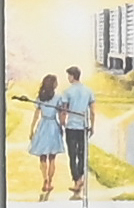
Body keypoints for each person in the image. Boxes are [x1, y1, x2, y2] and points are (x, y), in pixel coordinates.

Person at [58, 67, 98, 197]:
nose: (68, 78)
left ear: (73, 76)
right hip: (83, 126)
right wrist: (92, 125)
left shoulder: (67, 92)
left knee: (72, 155)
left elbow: (64, 110)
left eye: (69, 75)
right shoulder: (88, 91)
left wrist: (62, 123)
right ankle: (80, 178)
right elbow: (92, 111)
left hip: (72, 127)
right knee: (82, 154)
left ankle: (77, 180)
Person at [25, 73, 66, 199]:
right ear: (53, 84)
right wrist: (62, 126)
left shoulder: (40, 97)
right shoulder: (58, 97)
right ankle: (50, 181)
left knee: (42, 157)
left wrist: (32, 129)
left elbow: (36, 115)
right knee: (52, 158)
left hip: (43, 126)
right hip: (53, 125)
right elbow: (60, 115)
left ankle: (45, 179)